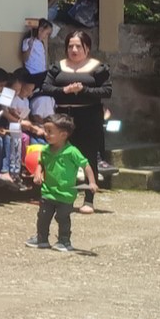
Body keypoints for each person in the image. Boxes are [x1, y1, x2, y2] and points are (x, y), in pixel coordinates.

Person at [38, 29, 112, 212]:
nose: (74, 50)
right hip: (63, 117)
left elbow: (106, 91)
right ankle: (60, 197)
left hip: (88, 117)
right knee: (60, 155)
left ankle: (88, 200)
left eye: (79, 46)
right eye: (71, 46)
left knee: (87, 156)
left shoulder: (98, 68)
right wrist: (64, 91)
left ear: (87, 48)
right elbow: (45, 87)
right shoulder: (58, 67)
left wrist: (83, 90)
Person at [28, 114, 97, 252]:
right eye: (45, 130)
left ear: (63, 135)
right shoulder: (45, 150)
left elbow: (86, 165)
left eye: (50, 131)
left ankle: (64, 241)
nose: (46, 134)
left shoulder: (72, 151)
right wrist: (37, 172)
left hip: (66, 193)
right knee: (43, 217)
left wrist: (92, 182)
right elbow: (41, 162)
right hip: (48, 192)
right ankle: (41, 239)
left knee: (63, 218)